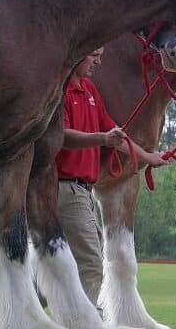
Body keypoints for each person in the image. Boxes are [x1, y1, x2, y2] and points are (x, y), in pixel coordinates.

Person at [56, 47, 169, 306]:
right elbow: (62, 136)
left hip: (81, 191)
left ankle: (22, 320)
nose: (98, 61)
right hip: (65, 189)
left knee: (53, 265)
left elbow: (117, 136)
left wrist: (149, 157)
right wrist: (101, 139)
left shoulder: (90, 90)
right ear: (78, 54)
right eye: (94, 55)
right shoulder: (60, 91)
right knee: (92, 266)